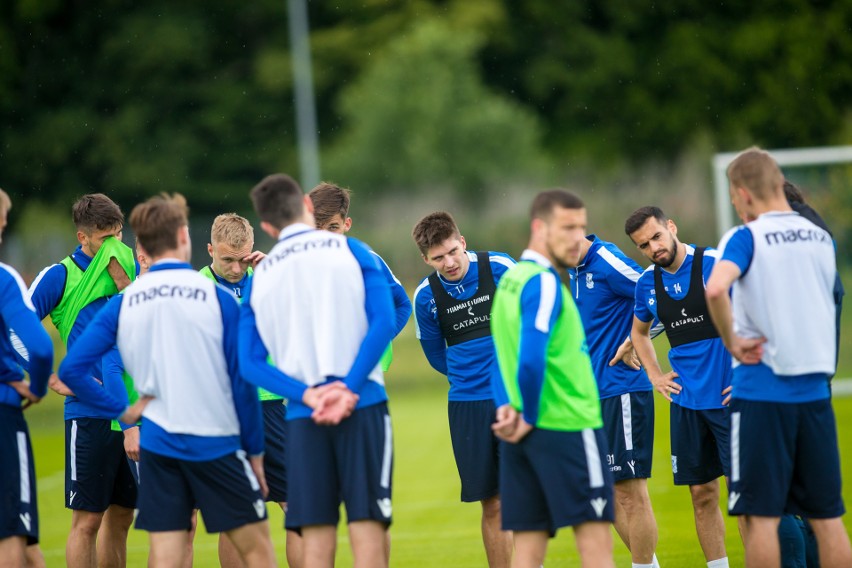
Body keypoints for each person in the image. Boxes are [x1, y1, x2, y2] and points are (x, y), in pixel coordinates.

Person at [57, 193, 277, 568]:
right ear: (183, 239)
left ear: (141, 245)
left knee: (170, 551)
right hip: (215, 440)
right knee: (256, 549)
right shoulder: (214, 297)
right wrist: (254, 453)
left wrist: (126, 414)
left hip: (160, 445)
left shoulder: (124, 302)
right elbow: (244, 378)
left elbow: (72, 371)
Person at [238, 173, 396, 568]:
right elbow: (384, 321)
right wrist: (348, 387)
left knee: (317, 539)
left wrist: (307, 395)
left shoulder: (263, 276)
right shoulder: (354, 251)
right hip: (362, 405)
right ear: (307, 207)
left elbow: (249, 363)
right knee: (367, 530)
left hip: (303, 415)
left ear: (268, 226)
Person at [705, 147, 852, 568]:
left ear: (743, 194)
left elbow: (716, 288)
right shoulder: (821, 238)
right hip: (815, 394)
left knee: (764, 519)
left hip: (763, 392)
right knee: (827, 519)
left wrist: (732, 341)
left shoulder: (744, 237)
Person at [490, 189, 615, 568]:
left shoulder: (510, 281)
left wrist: (506, 410)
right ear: (539, 227)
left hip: (521, 436)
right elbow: (528, 361)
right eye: (568, 227)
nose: (579, 237)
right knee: (596, 550)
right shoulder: (543, 283)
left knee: (527, 555)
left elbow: (498, 359)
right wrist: (528, 415)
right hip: (568, 426)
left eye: (582, 227)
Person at [27, 193, 138, 568]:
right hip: (88, 411)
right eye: (105, 238)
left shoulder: (132, 269)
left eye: (118, 235)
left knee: (123, 515)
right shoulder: (60, 275)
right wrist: (40, 377)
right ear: (83, 237)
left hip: (131, 411)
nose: (113, 245)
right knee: (88, 520)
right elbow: (17, 327)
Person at [625, 206, 733, 568]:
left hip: (729, 397)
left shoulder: (715, 263)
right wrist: (655, 375)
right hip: (687, 403)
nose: (654, 247)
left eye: (657, 236)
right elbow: (639, 333)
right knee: (701, 494)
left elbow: (757, 313)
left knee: (746, 495)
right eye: (644, 245)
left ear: (671, 227)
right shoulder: (647, 283)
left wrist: (750, 376)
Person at [411, 211, 515, 568]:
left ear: (463, 242)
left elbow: (536, 320)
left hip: (517, 398)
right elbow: (437, 355)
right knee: (493, 502)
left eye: (453, 251)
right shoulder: (426, 296)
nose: (449, 262)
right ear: (426, 259)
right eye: (438, 258)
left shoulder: (501, 268)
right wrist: (469, 378)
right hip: (468, 404)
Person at [198, 212, 295, 568]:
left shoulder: (268, 279)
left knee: (296, 506)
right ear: (209, 250)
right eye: (227, 260)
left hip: (271, 405)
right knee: (235, 513)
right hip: (223, 411)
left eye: (243, 260)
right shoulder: (196, 288)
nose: (237, 269)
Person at [564, 233, 661, 568]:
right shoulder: (574, 267)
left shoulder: (607, 261)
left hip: (622, 390)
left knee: (631, 495)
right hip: (593, 396)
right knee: (606, 496)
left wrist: (639, 339)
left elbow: (658, 294)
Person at [0, 188, 54, 568]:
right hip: (3, 416)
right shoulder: (3, 279)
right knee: (12, 532)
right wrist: (33, 387)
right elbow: (39, 346)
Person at [308, 182, 412, 371]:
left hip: (368, 374)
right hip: (318, 375)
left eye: (333, 227)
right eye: (317, 228)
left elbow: (403, 304)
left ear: (346, 224)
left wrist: (376, 342)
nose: (325, 237)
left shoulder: (369, 261)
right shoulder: (297, 267)